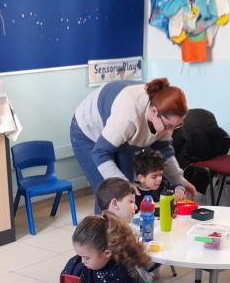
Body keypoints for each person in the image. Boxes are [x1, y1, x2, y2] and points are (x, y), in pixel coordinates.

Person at [71, 78, 196, 210]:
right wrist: (122, 183)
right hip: (88, 132)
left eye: (176, 126)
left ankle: (129, 222)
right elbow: (100, 153)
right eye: (168, 125)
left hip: (121, 135)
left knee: (129, 195)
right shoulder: (128, 117)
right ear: (154, 112)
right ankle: (105, 223)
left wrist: (178, 181)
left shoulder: (162, 116)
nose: (170, 131)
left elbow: (164, 150)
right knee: (110, 193)